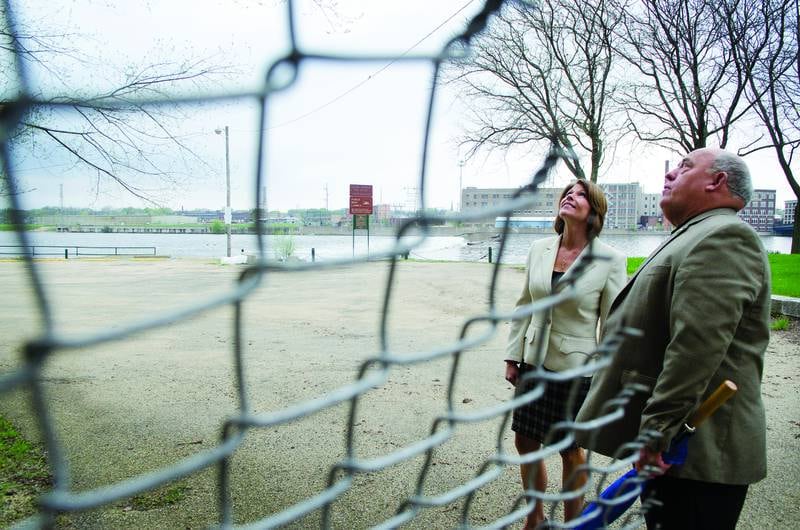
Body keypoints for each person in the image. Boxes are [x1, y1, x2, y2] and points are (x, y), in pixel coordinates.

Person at [575, 148, 770, 530]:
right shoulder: (696, 233)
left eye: (684, 167)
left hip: (699, 455)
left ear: (717, 181)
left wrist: (656, 433)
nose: (669, 175)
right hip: (678, 449)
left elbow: (695, 350)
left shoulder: (724, 236)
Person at [504, 179, 626, 528]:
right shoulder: (539, 248)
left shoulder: (610, 259)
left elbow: (613, 324)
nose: (571, 197)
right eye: (568, 193)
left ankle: (574, 524)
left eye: (581, 195)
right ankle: (535, 518)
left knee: (570, 449)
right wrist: (513, 356)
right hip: (533, 363)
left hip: (577, 371)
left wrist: (607, 376)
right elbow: (524, 305)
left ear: (594, 211)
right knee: (525, 441)